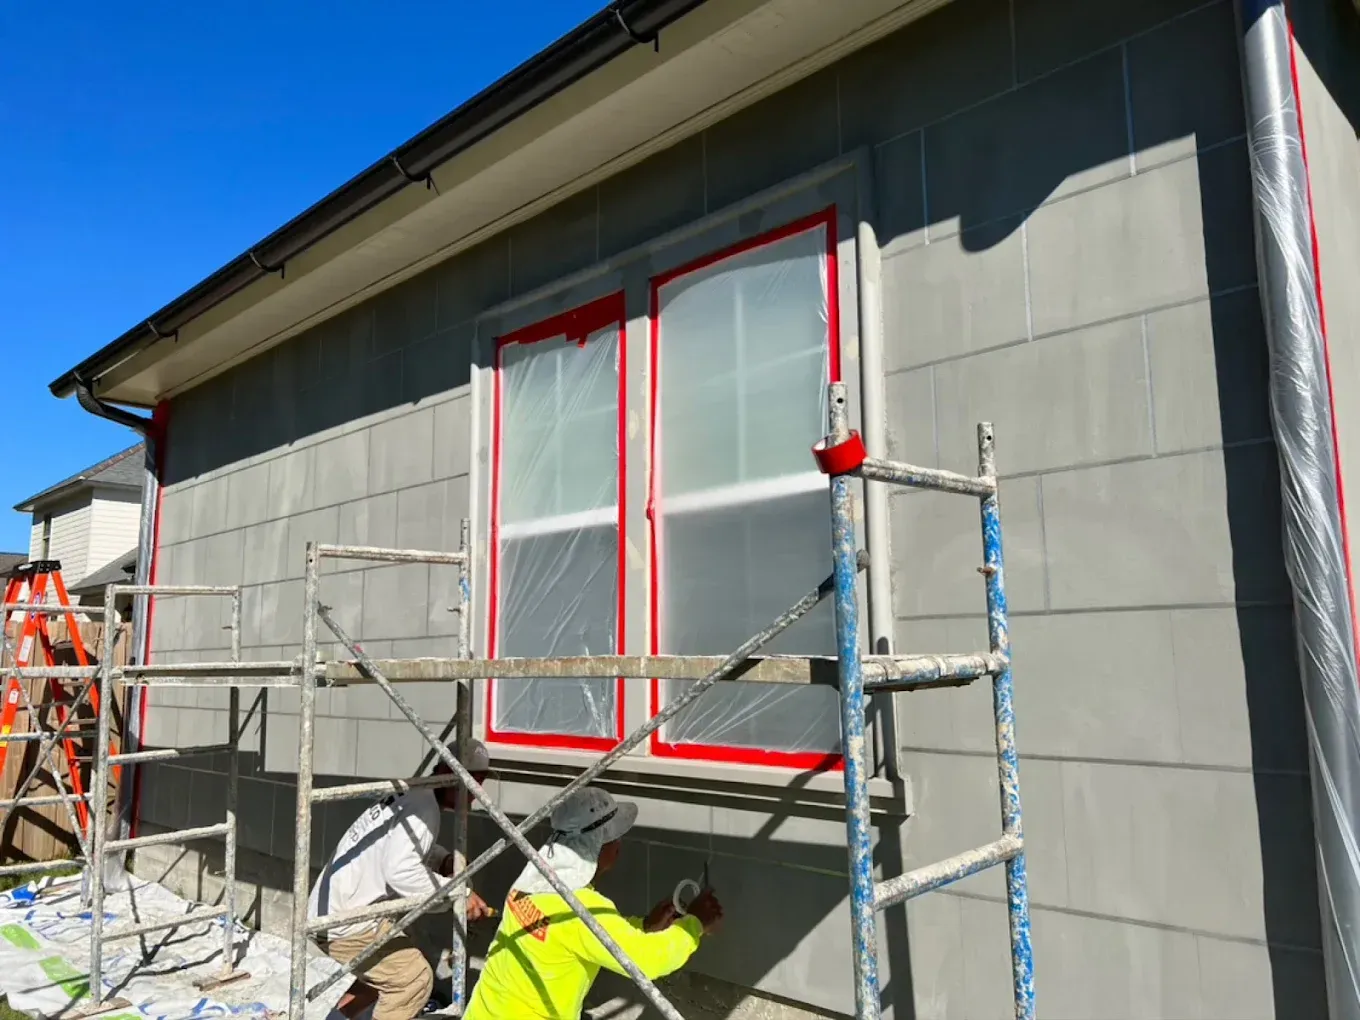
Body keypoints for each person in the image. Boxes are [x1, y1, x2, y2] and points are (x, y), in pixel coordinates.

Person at [463, 786, 723, 1020]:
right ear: (599, 845)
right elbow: (648, 960)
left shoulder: (533, 878)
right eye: (615, 838)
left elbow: (587, 933)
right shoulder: (579, 906)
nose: (620, 845)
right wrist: (695, 924)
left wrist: (643, 926)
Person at [310, 739, 493, 1020]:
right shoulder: (423, 809)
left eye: (480, 782)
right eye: (473, 781)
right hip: (345, 920)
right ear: (449, 772)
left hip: (335, 907)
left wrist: (442, 860)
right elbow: (400, 871)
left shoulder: (415, 794)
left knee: (397, 963)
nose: (477, 793)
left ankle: (338, 1019)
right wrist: (459, 893)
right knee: (412, 979)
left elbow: (400, 848)